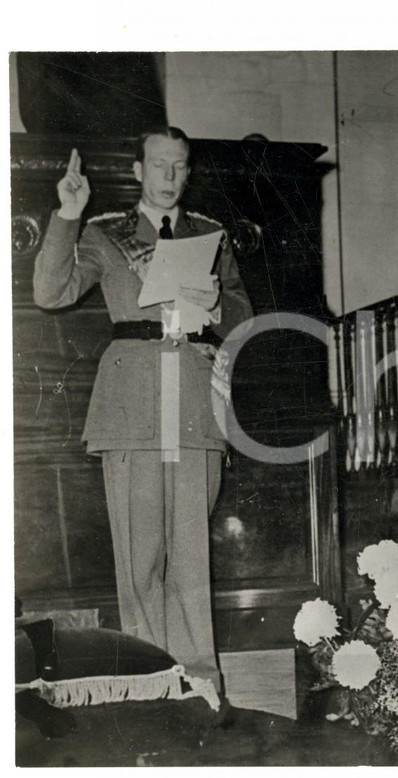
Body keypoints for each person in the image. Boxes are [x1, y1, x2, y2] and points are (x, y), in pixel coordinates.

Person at [33, 127, 253, 693]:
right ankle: (154, 682)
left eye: (179, 166)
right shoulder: (106, 234)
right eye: (158, 165)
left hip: (194, 405)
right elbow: (50, 292)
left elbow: (243, 317)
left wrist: (217, 304)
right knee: (140, 556)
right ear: (137, 171)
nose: (169, 177)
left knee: (190, 557)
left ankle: (202, 685)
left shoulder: (211, 234)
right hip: (132, 404)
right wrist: (67, 215)